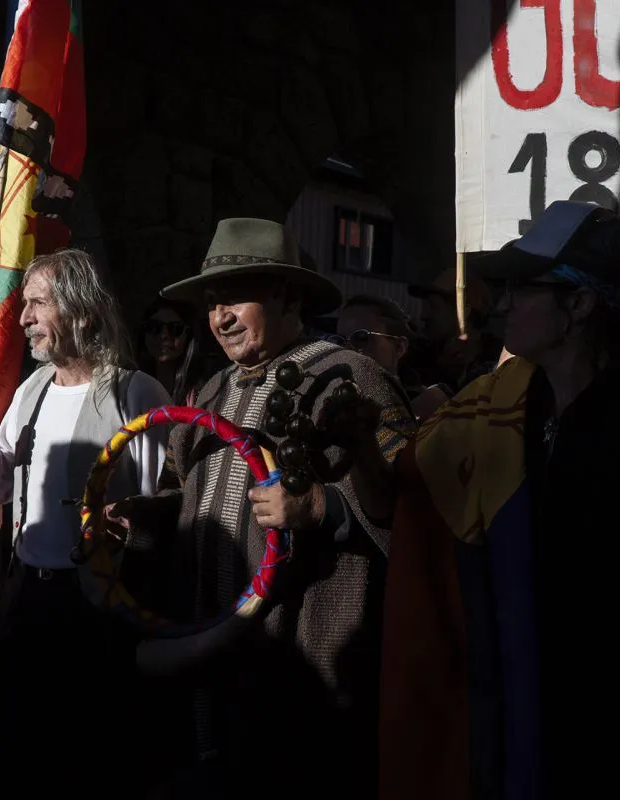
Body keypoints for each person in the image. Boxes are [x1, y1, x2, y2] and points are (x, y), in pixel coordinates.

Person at [377, 201, 620, 800]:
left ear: (580, 304)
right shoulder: (514, 416)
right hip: (547, 732)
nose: (503, 302)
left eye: (524, 287)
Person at [113, 218, 416, 797]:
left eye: (236, 298)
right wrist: (142, 518)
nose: (220, 317)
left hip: (304, 668)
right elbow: (188, 494)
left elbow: (411, 511)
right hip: (210, 663)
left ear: (289, 297)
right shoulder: (209, 392)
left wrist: (322, 507)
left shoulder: (353, 379)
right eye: (212, 302)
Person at [0, 248, 170, 795]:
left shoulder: (135, 393)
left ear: (83, 313)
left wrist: (131, 525)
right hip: (28, 594)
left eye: (38, 304)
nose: (24, 318)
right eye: (24, 304)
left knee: (87, 749)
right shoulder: (32, 391)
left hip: (99, 605)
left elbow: (162, 506)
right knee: (15, 740)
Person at [337, 294, 450, 419]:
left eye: (361, 338)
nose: (346, 349)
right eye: (340, 341)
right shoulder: (332, 405)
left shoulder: (433, 407)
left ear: (399, 347)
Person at [136, 296, 213, 405]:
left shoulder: (205, 389)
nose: (164, 335)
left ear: (189, 335)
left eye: (175, 328)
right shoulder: (132, 384)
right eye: (154, 327)